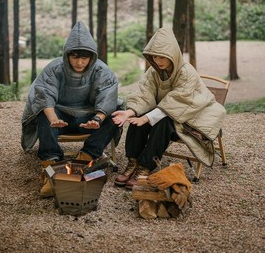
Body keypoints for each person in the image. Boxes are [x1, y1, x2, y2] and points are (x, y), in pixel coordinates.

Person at [112, 26, 226, 189]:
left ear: (172, 54)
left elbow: (177, 101)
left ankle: (145, 166)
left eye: (162, 57)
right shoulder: (154, 72)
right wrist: (129, 112)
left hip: (190, 114)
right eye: (154, 57)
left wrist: (146, 118)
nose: (158, 61)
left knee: (162, 121)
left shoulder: (186, 72)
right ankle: (133, 161)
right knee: (138, 117)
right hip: (166, 112)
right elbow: (144, 94)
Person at [21, 21, 121, 197]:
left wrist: (97, 119)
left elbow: (107, 96)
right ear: (67, 55)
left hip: (88, 119)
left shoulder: (101, 70)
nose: (80, 62)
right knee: (43, 114)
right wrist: (52, 118)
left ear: (92, 57)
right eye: (75, 57)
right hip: (60, 118)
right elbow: (44, 95)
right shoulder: (54, 68)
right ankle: (51, 163)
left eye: (85, 57)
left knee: (116, 115)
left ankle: (87, 156)